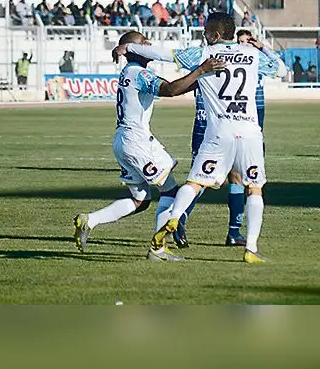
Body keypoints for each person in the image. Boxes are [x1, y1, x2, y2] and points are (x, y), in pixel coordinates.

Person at [121, 12, 280, 263]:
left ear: (215, 35)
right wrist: (263, 47)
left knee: (195, 182)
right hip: (250, 130)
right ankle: (251, 248)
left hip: (218, 131)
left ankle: (175, 217)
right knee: (254, 188)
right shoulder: (251, 54)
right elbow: (278, 68)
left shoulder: (203, 54)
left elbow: (164, 54)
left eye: (206, 32)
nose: (204, 36)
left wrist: (128, 47)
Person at [73, 31, 224, 260]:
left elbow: (175, 86)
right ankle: (158, 249)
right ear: (134, 49)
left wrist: (202, 79)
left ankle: (89, 220)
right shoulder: (138, 73)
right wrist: (200, 71)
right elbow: (171, 90)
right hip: (137, 141)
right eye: (143, 42)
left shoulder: (130, 71)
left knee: (141, 201)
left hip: (124, 140)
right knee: (170, 191)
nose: (149, 44)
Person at [175, 29, 282, 248]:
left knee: (236, 177)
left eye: (247, 42)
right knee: (202, 179)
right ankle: (180, 218)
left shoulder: (249, 62)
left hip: (239, 124)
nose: (244, 45)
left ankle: (233, 232)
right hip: (213, 123)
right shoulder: (218, 59)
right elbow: (280, 68)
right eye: (241, 41)